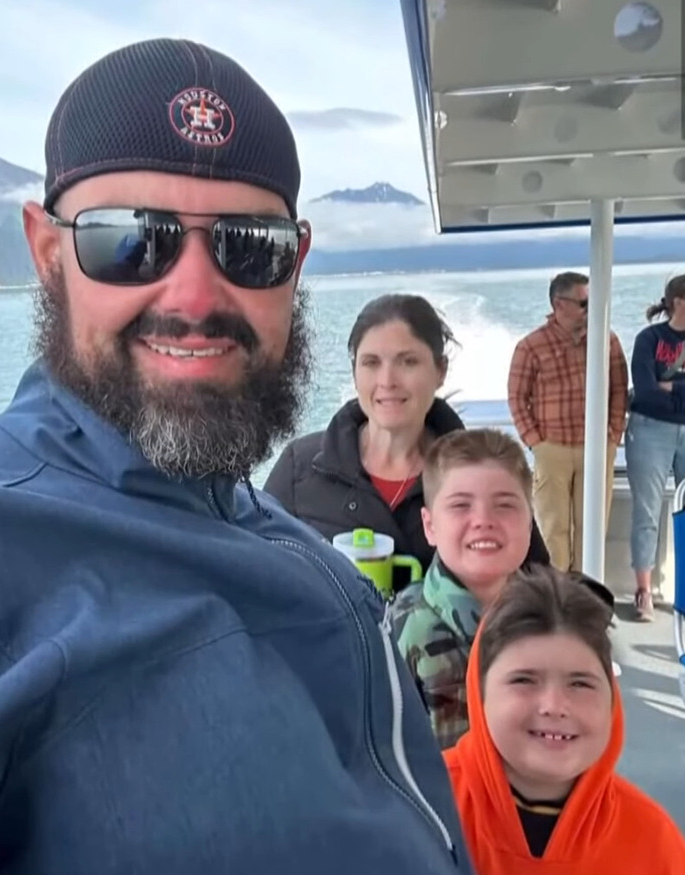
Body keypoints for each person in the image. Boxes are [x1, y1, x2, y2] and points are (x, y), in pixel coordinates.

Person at [0, 39, 474, 875]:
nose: (197, 297)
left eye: (251, 245)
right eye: (131, 239)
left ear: (297, 263)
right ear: (47, 251)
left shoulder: (279, 532)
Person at [265, 293, 549, 591]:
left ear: (440, 371)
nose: (387, 381)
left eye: (408, 362)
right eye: (371, 363)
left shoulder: (484, 474)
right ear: (354, 373)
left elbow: (539, 586)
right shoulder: (301, 467)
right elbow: (256, 578)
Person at [443, 566, 685, 874]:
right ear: (480, 693)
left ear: (611, 699)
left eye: (580, 683)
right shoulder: (422, 812)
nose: (555, 706)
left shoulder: (654, 844)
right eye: (524, 680)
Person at [392, 428, 533, 749]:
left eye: (504, 505)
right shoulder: (404, 630)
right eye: (460, 505)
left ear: (529, 522)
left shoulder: (554, 620)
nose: (483, 520)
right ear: (430, 526)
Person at [508, 271, 628, 572]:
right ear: (559, 304)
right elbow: (516, 397)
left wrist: (613, 435)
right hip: (553, 449)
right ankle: (557, 599)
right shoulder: (530, 346)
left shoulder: (607, 340)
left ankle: (587, 600)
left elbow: (619, 390)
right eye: (585, 303)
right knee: (553, 530)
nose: (591, 309)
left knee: (593, 529)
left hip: (598, 448)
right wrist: (535, 441)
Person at [626, 274, 685, 621]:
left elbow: (659, 388)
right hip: (650, 430)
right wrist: (665, 390)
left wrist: (671, 387)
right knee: (647, 512)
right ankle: (644, 592)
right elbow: (645, 390)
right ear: (678, 302)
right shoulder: (649, 339)